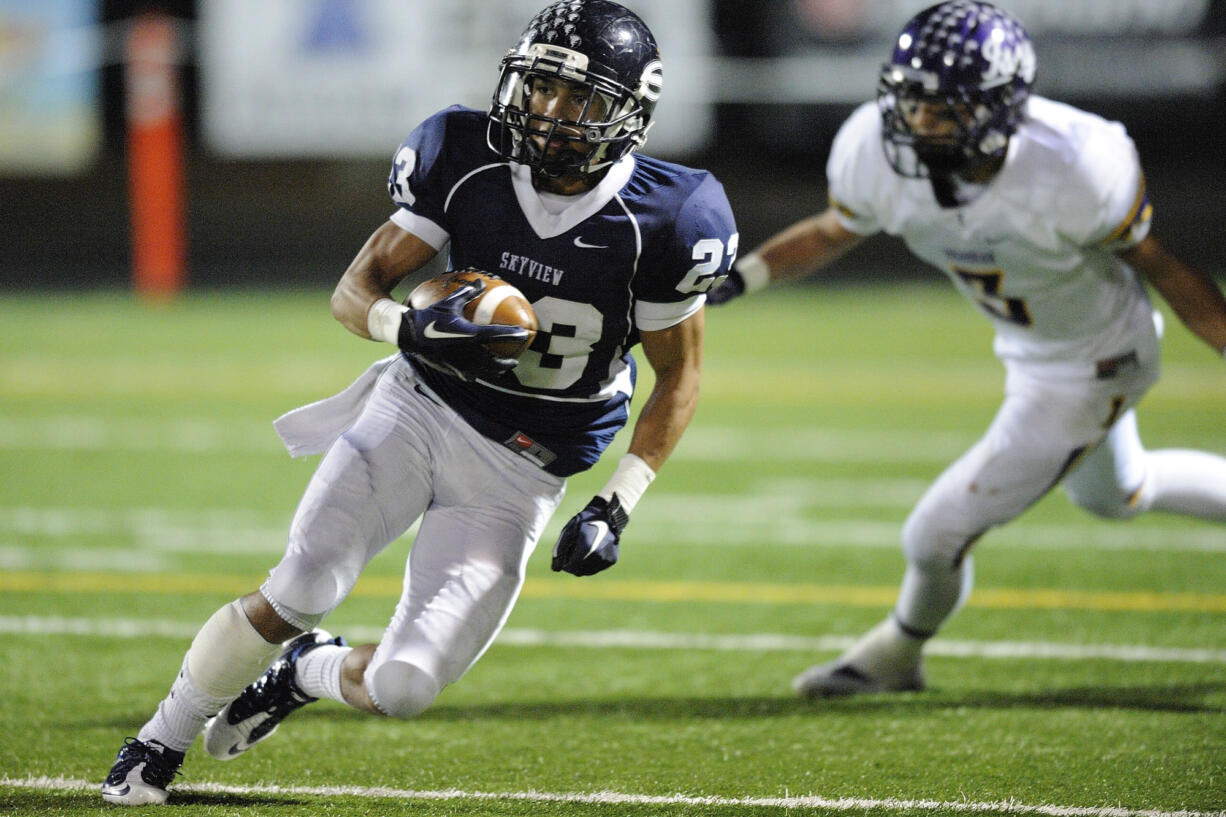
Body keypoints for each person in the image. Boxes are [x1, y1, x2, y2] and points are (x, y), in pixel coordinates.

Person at [101, 0, 737, 804]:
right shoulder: (463, 155)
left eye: (579, 99)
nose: (548, 112)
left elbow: (678, 374)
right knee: (302, 583)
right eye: (540, 87)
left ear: (630, 115)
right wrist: (409, 326)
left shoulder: (672, 219)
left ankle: (308, 672)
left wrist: (618, 502)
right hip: (419, 407)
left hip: (523, 465)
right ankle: (161, 735)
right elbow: (353, 289)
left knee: (403, 685)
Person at [708, 0, 1226, 698]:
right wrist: (745, 276)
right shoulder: (875, 149)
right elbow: (835, 229)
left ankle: (894, 653)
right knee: (1118, 495)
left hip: (1094, 360)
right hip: (1029, 346)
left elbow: (1159, 265)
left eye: (944, 109)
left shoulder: (1075, 161)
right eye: (912, 102)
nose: (921, 123)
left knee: (935, 532)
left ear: (1001, 108)